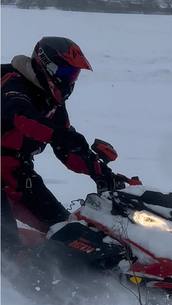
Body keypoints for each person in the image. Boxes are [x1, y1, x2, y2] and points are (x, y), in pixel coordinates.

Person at [1, 36, 123, 265]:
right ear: (47, 65)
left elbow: (67, 149)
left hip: (17, 173)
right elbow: (21, 117)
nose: (70, 80)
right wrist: (59, 135)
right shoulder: (12, 84)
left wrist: (99, 171)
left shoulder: (52, 103)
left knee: (66, 231)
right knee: (6, 242)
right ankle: (16, 291)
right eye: (67, 73)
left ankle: (76, 281)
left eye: (74, 75)